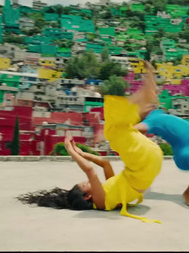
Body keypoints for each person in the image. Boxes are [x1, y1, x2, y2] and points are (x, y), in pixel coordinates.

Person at [17, 61, 163, 223]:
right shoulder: (100, 203)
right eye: (87, 184)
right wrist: (71, 150)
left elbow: (105, 164)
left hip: (147, 164)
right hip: (142, 168)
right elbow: (90, 170)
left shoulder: (109, 190)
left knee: (121, 130)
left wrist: (82, 152)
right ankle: (144, 98)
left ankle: (145, 100)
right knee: (114, 131)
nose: (90, 181)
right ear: (88, 196)